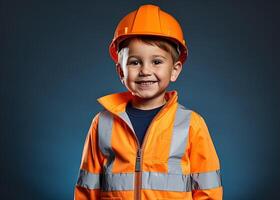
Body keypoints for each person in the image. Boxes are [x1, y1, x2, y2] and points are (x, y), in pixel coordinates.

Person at [74, 4, 223, 200]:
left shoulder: (191, 124)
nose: (145, 71)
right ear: (121, 71)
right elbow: (87, 188)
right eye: (135, 62)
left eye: (157, 61)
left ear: (175, 69)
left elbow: (208, 190)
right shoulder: (102, 123)